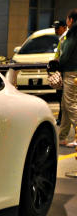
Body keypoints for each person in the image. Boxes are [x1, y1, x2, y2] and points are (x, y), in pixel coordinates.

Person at [58, 9, 77, 147]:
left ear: (70, 20)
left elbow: (65, 56)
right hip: (72, 72)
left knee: (70, 105)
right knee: (65, 105)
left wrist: (58, 64)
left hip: (71, 73)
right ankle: (62, 137)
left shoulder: (73, 35)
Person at [53, 19, 67, 126]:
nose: (55, 30)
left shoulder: (66, 38)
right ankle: (61, 118)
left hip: (67, 72)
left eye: (57, 28)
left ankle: (62, 119)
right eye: (55, 28)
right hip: (62, 71)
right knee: (61, 96)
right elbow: (57, 54)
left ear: (64, 27)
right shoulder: (61, 39)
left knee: (64, 97)